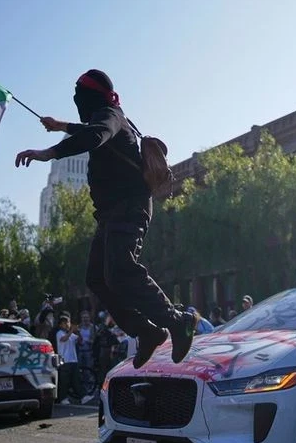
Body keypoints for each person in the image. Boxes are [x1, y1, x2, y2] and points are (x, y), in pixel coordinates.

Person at [15, 69, 195, 369]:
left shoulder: (110, 115)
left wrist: (49, 153)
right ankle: (147, 331)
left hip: (128, 208)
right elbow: (92, 129)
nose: (77, 103)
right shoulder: (107, 115)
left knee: (122, 269)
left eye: (79, 98)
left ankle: (179, 321)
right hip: (111, 215)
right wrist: (62, 125)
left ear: (92, 98)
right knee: (97, 278)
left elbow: (97, 133)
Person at [55, 315, 83, 404]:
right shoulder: (59, 333)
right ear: (60, 324)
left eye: (68, 322)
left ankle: (81, 396)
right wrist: (71, 330)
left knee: (76, 380)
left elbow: (80, 340)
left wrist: (78, 331)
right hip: (64, 360)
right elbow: (64, 339)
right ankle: (62, 398)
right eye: (65, 323)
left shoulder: (71, 334)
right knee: (64, 381)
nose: (67, 324)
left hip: (73, 360)